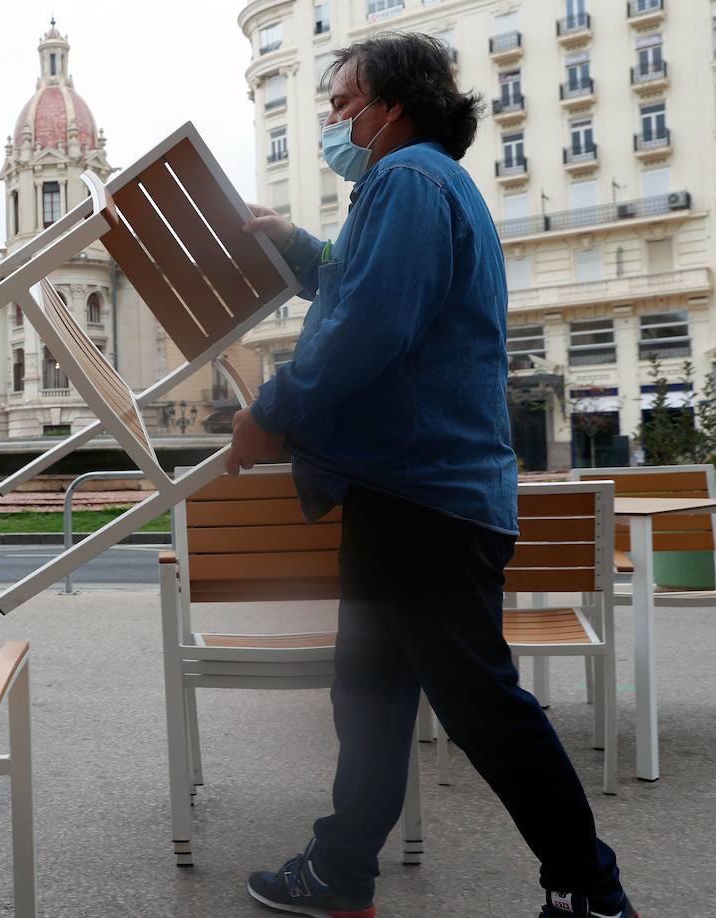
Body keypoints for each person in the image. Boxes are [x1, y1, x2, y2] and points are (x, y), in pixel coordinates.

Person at [228, 33, 638, 918]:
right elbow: (355, 282)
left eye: (342, 104)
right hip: (411, 494)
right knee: (371, 695)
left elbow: (370, 325)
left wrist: (274, 411)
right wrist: (293, 244)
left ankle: (592, 893)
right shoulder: (416, 184)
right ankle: (340, 872)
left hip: (425, 497)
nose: (334, 121)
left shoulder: (408, 180)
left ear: (391, 105)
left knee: (479, 703)